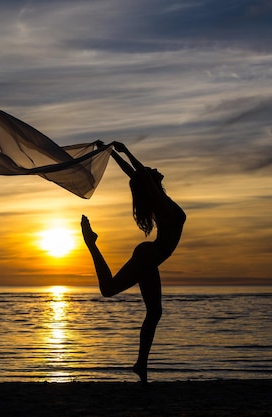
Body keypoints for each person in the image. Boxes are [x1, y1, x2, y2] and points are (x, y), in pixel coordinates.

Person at [81, 141, 186, 384]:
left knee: (155, 312)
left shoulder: (159, 199)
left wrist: (113, 154)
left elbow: (136, 176)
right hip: (149, 256)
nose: (155, 169)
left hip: (151, 258)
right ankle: (91, 243)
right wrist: (124, 151)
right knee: (108, 290)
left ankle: (141, 364)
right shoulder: (159, 200)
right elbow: (139, 175)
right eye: (150, 170)